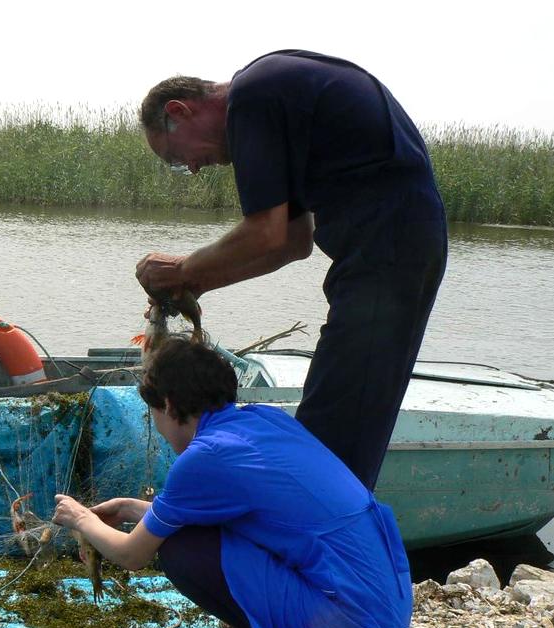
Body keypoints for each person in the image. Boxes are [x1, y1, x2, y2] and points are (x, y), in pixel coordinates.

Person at [135, 50, 447, 491]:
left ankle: (327, 536)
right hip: (393, 245)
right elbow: (291, 244)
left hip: (389, 246)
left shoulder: (253, 97)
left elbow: (264, 232)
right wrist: (197, 281)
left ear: (179, 111)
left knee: (339, 414)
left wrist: (183, 267)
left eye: (174, 157)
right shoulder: (271, 100)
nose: (192, 167)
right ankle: (332, 525)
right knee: (350, 405)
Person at [52, 337, 412, 628]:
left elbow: (132, 554)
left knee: (179, 550)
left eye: (153, 415)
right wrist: (127, 508)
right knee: (211, 532)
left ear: (170, 406)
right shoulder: (262, 420)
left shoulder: (205, 457)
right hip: (386, 614)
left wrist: (80, 518)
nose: (156, 426)